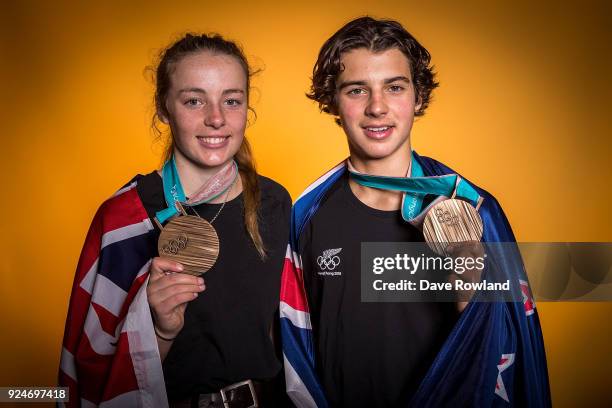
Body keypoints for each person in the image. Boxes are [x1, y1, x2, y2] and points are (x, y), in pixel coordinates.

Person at [280, 17, 551, 407]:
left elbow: (505, 344)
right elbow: (295, 348)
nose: (377, 107)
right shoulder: (305, 215)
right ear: (333, 101)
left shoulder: (474, 207)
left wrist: (470, 282)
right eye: (357, 90)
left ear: (418, 96)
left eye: (394, 87)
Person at [59, 33, 291, 407]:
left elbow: (282, 334)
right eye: (194, 100)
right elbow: (93, 368)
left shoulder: (274, 202)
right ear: (164, 108)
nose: (216, 118)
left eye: (231, 101)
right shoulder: (125, 218)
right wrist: (159, 331)